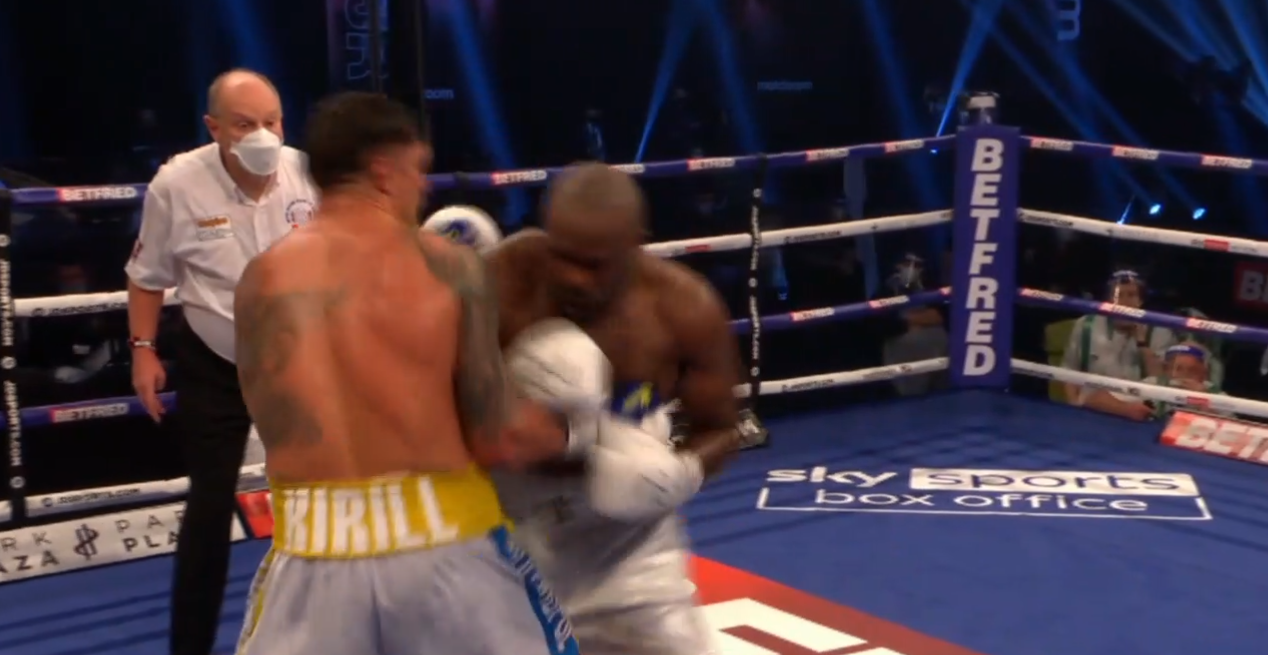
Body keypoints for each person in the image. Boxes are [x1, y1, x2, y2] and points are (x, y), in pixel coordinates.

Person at [232, 90, 580, 655]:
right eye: (419, 169)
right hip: (447, 550)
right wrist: (583, 428)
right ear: (383, 170)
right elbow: (500, 437)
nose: (425, 187)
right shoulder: (446, 266)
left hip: (309, 561)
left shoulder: (259, 280)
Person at [477, 162, 745, 655]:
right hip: (513, 535)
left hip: (631, 554)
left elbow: (722, 427)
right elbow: (434, 392)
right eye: (562, 256)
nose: (573, 278)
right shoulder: (503, 280)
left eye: (594, 264)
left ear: (634, 245)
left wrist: (681, 473)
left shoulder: (683, 308)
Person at [123, 68, 318, 655]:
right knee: (209, 509)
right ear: (213, 127)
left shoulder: (307, 173)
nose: (262, 134)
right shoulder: (177, 184)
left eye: (272, 121)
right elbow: (146, 275)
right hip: (215, 363)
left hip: (298, 361)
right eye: (244, 123)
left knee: (320, 495)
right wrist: (143, 350)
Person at [1060, 270, 1176, 420]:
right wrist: (1074, 408)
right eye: (1118, 296)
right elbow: (1070, 370)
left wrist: (1142, 343)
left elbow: (1161, 380)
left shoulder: (1159, 331)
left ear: (1141, 300)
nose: (1124, 302)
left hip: (1139, 414)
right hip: (1092, 409)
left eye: (1131, 295)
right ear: (1108, 301)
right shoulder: (1086, 325)